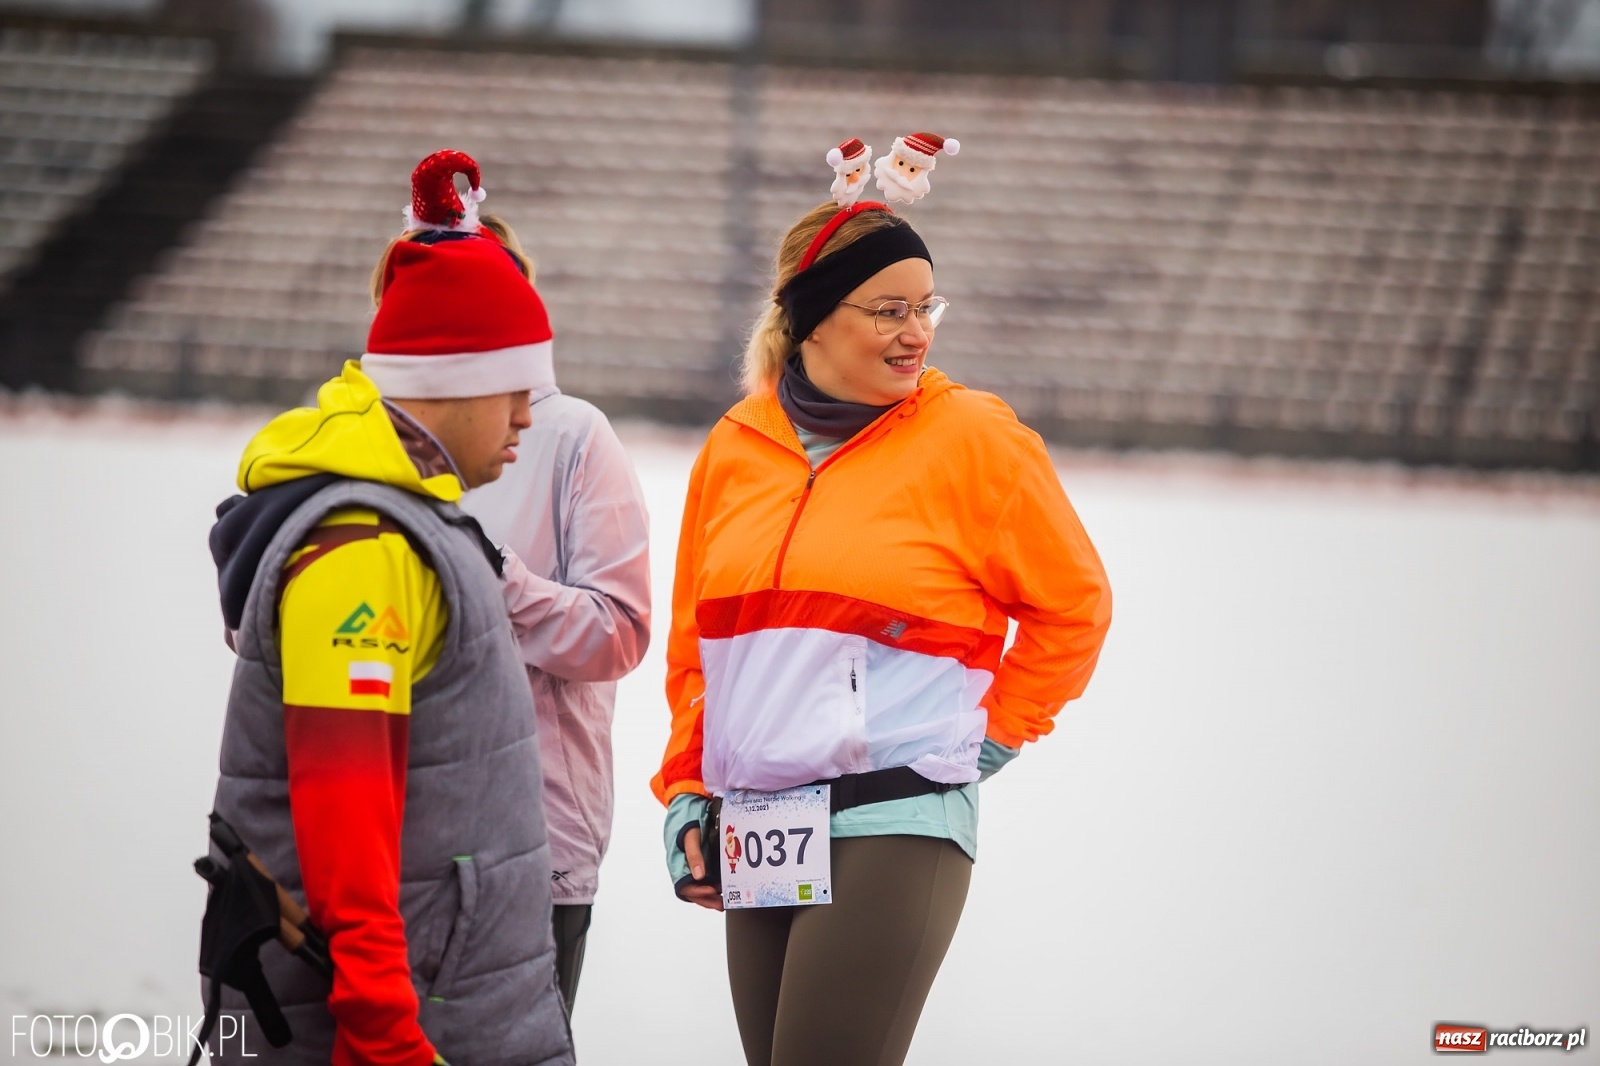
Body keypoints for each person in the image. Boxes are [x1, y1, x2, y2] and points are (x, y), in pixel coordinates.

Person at [653, 133, 1113, 1066]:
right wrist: (687, 791)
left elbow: (1076, 607)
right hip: (761, 821)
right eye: (890, 309)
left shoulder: (974, 439)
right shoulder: (736, 446)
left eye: (925, 305)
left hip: (896, 813)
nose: (918, 331)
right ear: (813, 318)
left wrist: (987, 737)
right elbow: (700, 652)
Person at [204, 151, 573, 1066]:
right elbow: (343, 816)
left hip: (462, 1002)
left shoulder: (411, 523)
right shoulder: (362, 550)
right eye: (515, 381)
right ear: (453, 377)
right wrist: (383, 1033)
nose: (532, 412)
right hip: (408, 1025)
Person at [450, 221, 652, 1015]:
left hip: (534, 838)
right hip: (382, 839)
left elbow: (619, 632)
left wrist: (493, 578)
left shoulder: (571, 434)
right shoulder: (363, 444)